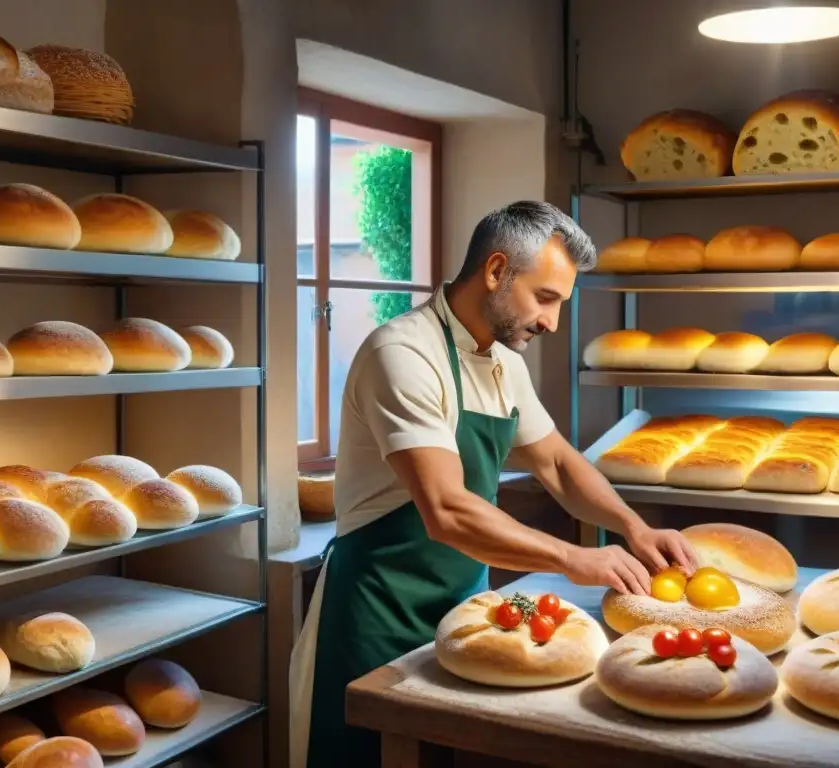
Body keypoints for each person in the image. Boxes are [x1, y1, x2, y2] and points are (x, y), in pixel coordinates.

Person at [289, 200, 699, 767]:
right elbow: (448, 509)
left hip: (465, 609)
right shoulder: (403, 353)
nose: (553, 322)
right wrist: (573, 557)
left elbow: (556, 461)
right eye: (545, 298)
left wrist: (634, 527)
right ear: (495, 270)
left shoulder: (504, 362)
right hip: (376, 614)